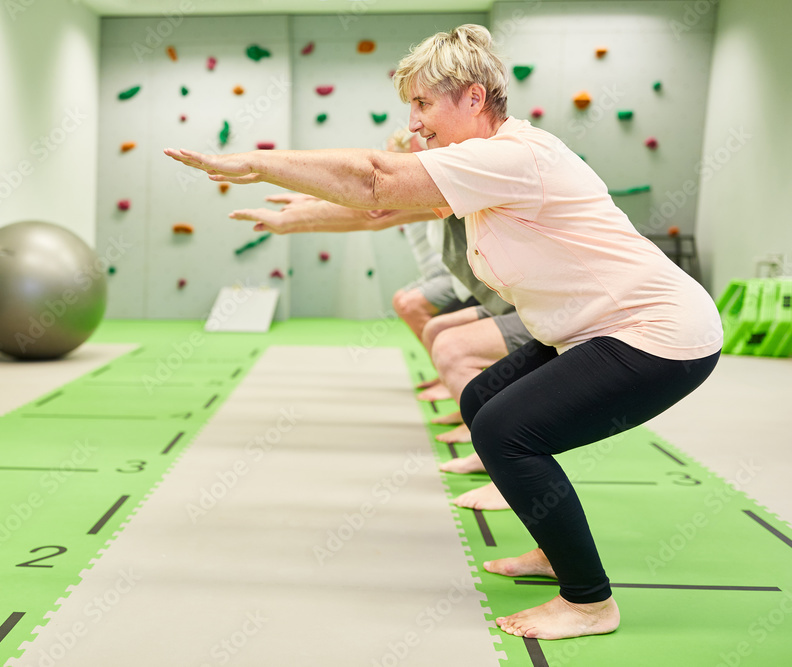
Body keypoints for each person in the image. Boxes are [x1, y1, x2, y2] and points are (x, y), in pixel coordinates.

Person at [165, 24, 722, 640]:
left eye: (423, 104)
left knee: (507, 432)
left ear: (474, 98)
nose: (414, 123)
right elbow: (380, 208)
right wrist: (293, 219)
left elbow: (375, 179)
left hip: (655, 334)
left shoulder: (515, 156)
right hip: (591, 329)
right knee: (481, 398)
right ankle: (554, 546)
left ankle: (589, 602)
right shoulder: (484, 165)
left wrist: (258, 162)